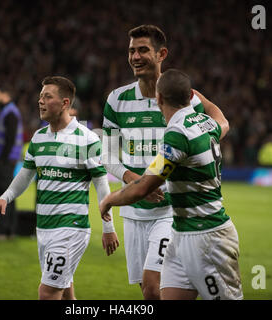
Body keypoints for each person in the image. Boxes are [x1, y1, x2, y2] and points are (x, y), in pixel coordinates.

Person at [101, 24, 230, 299]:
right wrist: (132, 180)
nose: (135, 56)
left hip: (171, 211)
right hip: (133, 210)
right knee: (148, 292)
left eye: (143, 50)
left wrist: (216, 132)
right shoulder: (116, 100)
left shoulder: (183, 96)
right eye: (131, 51)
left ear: (161, 54)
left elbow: (217, 115)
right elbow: (107, 154)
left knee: (152, 282)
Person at [0, 76, 119, 300]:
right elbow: (26, 173)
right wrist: (6, 196)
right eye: (40, 96)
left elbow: (101, 183)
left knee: (47, 292)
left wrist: (108, 229)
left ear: (65, 103)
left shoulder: (86, 139)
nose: (40, 101)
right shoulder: (38, 138)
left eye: (47, 97)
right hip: (44, 227)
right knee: (66, 292)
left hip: (71, 227)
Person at [0, 84, 24, 240]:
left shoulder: (10, 113)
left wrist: (2, 159)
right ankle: (8, 230)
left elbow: (9, 139)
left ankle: (2, 231)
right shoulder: (8, 112)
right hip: (5, 160)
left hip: (5, 161)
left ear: (4, 94)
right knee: (7, 194)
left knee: (3, 195)